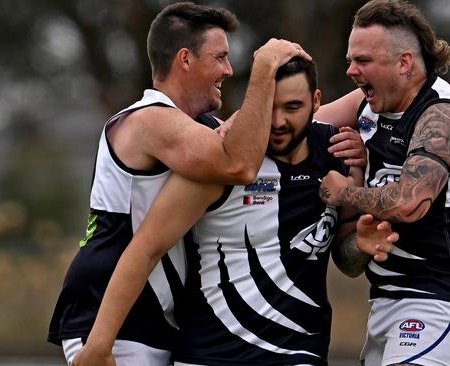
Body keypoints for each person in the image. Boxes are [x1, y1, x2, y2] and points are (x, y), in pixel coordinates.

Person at [47, 2, 311, 365]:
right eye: (219, 57)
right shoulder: (150, 119)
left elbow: (267, 132)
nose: (229, 70)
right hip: (109, 326)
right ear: (185, 59)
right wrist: (264, 68)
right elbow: (239, 163)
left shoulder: (197, 128)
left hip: (151, 324)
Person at [70, 57, 369, 366]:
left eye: (292, 107)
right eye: (268, 108)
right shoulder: (222, 162)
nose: (278, 121)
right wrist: (98, 346)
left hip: (300, 355)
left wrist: (362, 243)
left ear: (316, 101)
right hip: (212, 357)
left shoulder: (336, 153)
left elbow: (347, 259)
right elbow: (145, 248)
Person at [314, 0, 450, 365]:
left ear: (404, 62)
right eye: (350, 59)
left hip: (438, 302)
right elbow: (296, 127)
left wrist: (344, 190)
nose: (350, 70)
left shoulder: (442, 115)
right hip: (384, 307)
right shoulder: (367, 106)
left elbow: (409, 202)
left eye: (362, 61)